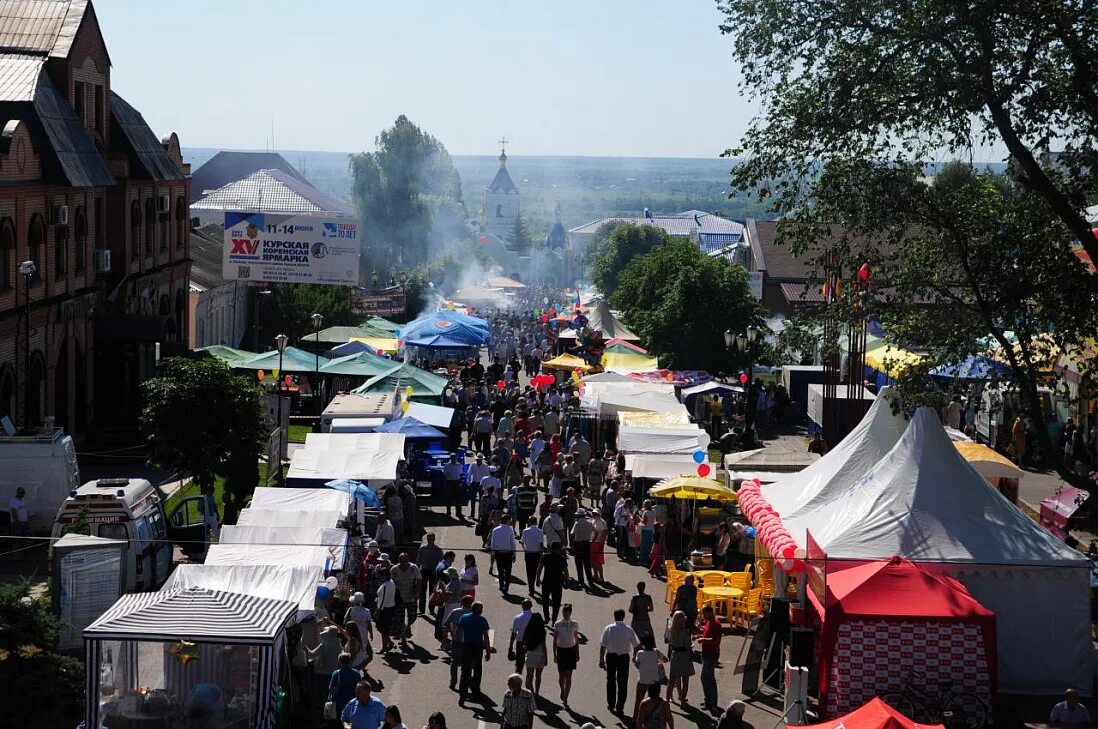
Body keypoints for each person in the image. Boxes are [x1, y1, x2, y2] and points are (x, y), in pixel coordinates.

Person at [599, 608, 640, 714]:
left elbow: (603, 645)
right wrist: (635, 655)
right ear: (623, 617)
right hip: (623, 657)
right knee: (623, 682)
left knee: (611, 680)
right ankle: (620, 706)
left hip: (611, 656)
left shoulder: (608, 628)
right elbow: (636, 644)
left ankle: (611, 703)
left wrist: (601, 659)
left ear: (614, 616)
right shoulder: (628, 629)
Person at [456, 601, 492, 706]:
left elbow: (458, 631)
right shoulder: (482, 620)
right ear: (476, 609)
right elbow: (486, 636)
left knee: (465, 671)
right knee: (477, 669)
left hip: (466, 646)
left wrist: (457, 643)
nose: (482, 611)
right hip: (477, 647)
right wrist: (488, 651)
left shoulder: (464, 617)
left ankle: (462, 695)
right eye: (480, 609)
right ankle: (475, 692)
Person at [552, 603, 581, 709]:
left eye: (568, 612)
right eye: (565, 611)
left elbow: (576, 639)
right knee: (561, 676)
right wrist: (554, 654)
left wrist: (577, 653)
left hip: (571, 651)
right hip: (561, 650)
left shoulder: (574, 624)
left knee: (569, 676)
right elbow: (555, 640)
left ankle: (565, 700)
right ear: (562, 612)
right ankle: (562, 690)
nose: (566, 614)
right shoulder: (558, 624)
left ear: (570, 612)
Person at [633, 633, 667, 720]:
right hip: (655, 681)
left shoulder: (640, 653)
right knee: (654, 701)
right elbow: (665, 659)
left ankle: (635, 719)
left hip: (643, 680)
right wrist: (658, 663)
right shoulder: (656, 652)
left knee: (639, 701)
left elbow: (637, 664)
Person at [390, 553, 420, 646]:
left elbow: (419, 580)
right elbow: (390, 582)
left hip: (411, 597)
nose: (403, 563)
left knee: (413, 616)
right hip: (399, 598)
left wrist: (417, 592)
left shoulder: (414, 568)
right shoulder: (394, 569)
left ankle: (408, 627)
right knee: (400, 618)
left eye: (405, 560)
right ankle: (403, 637)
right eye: (401, 560)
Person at [665, 611, 694, 704]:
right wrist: (691, 650)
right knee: (685, 680)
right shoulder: (685, 632)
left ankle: (667, 700)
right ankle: (683, 700)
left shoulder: (670, 630)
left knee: (672, 679)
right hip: (684, 656)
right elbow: (687, 646)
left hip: (675, 654)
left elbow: (668, 641)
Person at [536, 542, 568, 624]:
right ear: (558, 549)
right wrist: (565, 581)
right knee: (556, 602)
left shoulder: (545, 556)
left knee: (545, 601)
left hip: (546, 581)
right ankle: (554, 620)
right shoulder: (562, 558)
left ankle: (546, 618)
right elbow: (566, 571)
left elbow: (539, 568)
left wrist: (538, 579)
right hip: (557, 583)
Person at [698, 605, 723, 711]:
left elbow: (716, 641)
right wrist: (700, 636)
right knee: (709, 678)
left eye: (704, 614)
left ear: (709, 613)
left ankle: (710, 701)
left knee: (705, 677)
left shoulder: (716, 624)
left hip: (711, 654)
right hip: (706, 653)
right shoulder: (709, 622)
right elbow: (707, 635)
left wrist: (703, 639)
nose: (703, 616)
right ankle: (710, 700)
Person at [445, 595, 473, 688]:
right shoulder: (472, 613)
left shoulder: (455, 611)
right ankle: (465, 682)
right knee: (467, 664)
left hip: (456, 640)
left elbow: (446, 623)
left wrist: (451, 632)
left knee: (454, 662)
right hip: (468, 642)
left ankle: (453, 681)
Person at [328, 653, 361, 726]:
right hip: (352, 703)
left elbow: (331, 689)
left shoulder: (336, 674)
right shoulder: (356, 673)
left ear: (340, 662)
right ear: (350, 661)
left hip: (338, 705)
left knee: (338, 724)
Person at [416, 534, 444, 614]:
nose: (430, 540)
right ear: (427, 539)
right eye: (429, 539)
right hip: (424, 571)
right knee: (422, 591)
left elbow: (441, 562)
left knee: (433, 592)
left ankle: (431, 609)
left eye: (432, 539)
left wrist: (440, 573)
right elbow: (418, 561)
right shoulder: (422, 549)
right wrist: (416, 572)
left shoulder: (438, 550)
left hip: (434, 573)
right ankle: (421, 610)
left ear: (434, 539)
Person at [522, 612, 548, 696]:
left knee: (529, 675)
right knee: (538, 676)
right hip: (540, 655)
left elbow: (524, 645)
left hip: (530, 655)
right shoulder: (542, 631)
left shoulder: (527, 630)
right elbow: (543, 645)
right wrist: (545, 657)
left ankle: (528, 691)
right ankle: (537, 692)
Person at [490, 513, 517, 594]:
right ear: (507, 521)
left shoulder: (495, 530)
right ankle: (506, 586)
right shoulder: (510, 529)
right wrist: (514, 553)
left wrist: (493, 553)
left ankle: (501, 585)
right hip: (508, 553)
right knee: (508, 571)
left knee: (500, 570)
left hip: (498, 553)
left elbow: (493, 543)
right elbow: (513, 542)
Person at [569, 508, 595, 587]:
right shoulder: (589, 523)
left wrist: (572, 545)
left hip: (578, 544)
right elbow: (596, 531)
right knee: (587, 563)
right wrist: (592, 539)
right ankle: (589, 579)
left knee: (579, 564)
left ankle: (581, 580)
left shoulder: (577, 523)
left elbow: (572, 534)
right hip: (587, 544)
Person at [374, 569, 398, 653]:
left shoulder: (385, 586)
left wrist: (378, 611)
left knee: (383, 629)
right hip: (390, 608)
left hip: (384, 610)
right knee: (384, 629)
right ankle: (389, 643)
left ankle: (384, 647)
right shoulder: (392, 583)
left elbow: (383, 600)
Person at [508, 599, 534, 674]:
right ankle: (528, 681)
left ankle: (517, 679)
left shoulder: (518, 618)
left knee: (519, 663)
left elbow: (514, 633)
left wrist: (510, 646)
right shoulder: (534, 618)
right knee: (530, 665)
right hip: (532, 643)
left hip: (520, 642)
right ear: (531, 606)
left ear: (522, 606)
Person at [520, 516, 544, 595]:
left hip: (528, 553)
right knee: (535, 570)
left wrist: (525, 549)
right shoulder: (540, 531)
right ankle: (535, 582)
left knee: (529, 571)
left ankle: (531, 588)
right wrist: (541, 553)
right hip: (537, 553)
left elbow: (522, 542)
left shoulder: (525, 531)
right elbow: (541, 544)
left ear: (529, 522)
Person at [442, 455, 464, 519]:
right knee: (449, 498)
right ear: (451, 459)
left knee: (458, 498)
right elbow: (445, 475)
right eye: (453, 458)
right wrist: (445, 484)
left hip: (457, 482)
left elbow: (460, 473)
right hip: (449, 482)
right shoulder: (447, 466)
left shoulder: (459, 465)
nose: (454, 459)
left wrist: (460, 482)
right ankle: (448, 512)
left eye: (455, 458)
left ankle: (458, 513)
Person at [590, 509, 608, 582]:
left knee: (599, 562)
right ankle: (595, 575)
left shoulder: (602, 522)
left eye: (596, 514)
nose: (594, 515)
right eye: (593, 514)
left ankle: (601, 576)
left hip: (598, 544)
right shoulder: (593, 521)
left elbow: (604, 534)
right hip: (592, 543)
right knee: (593, 561)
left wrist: (602, 545)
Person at [638, 500, 656, 564]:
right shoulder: (653, 511)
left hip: (646, 529)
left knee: (643, 546)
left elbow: (644, 522)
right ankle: (649, 560)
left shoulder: (646, 512)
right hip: (652, 529)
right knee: (649, 546)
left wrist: (640, 518)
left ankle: (642, 560)